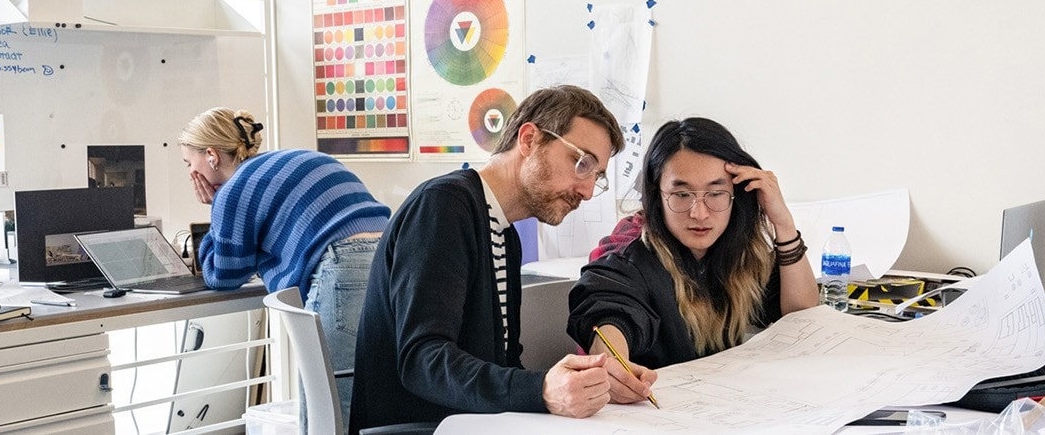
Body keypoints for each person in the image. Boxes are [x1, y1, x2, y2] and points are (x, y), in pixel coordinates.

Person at [350, 85, 629, 432]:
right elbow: (423, 361)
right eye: (581, 163)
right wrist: (541, 389)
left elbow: (503, 363)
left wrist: (580, 386)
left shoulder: (503, 231)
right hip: (425, 427)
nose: (587, 191)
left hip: (472, 423)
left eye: (596, 176)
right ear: (528, 140)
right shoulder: (443, 207)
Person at [566, 117, 820, 405]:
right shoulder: (630, 257)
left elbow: (803, 318)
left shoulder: (740, 255)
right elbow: (610, 308)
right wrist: (612, 364)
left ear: (737, 193)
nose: (699, 213)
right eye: (682, 194)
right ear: (656, 195)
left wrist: (783, 223)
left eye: (715, 194)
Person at [178, 107, 389, 427]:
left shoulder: (234, 190)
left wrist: (214, 207)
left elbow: (223, 276)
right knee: (376, 405)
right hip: (391, 263)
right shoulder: (295, 158)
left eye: (188, 162)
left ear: (211, 155)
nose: (189, 172)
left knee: (330, 414)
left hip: (344, 269)